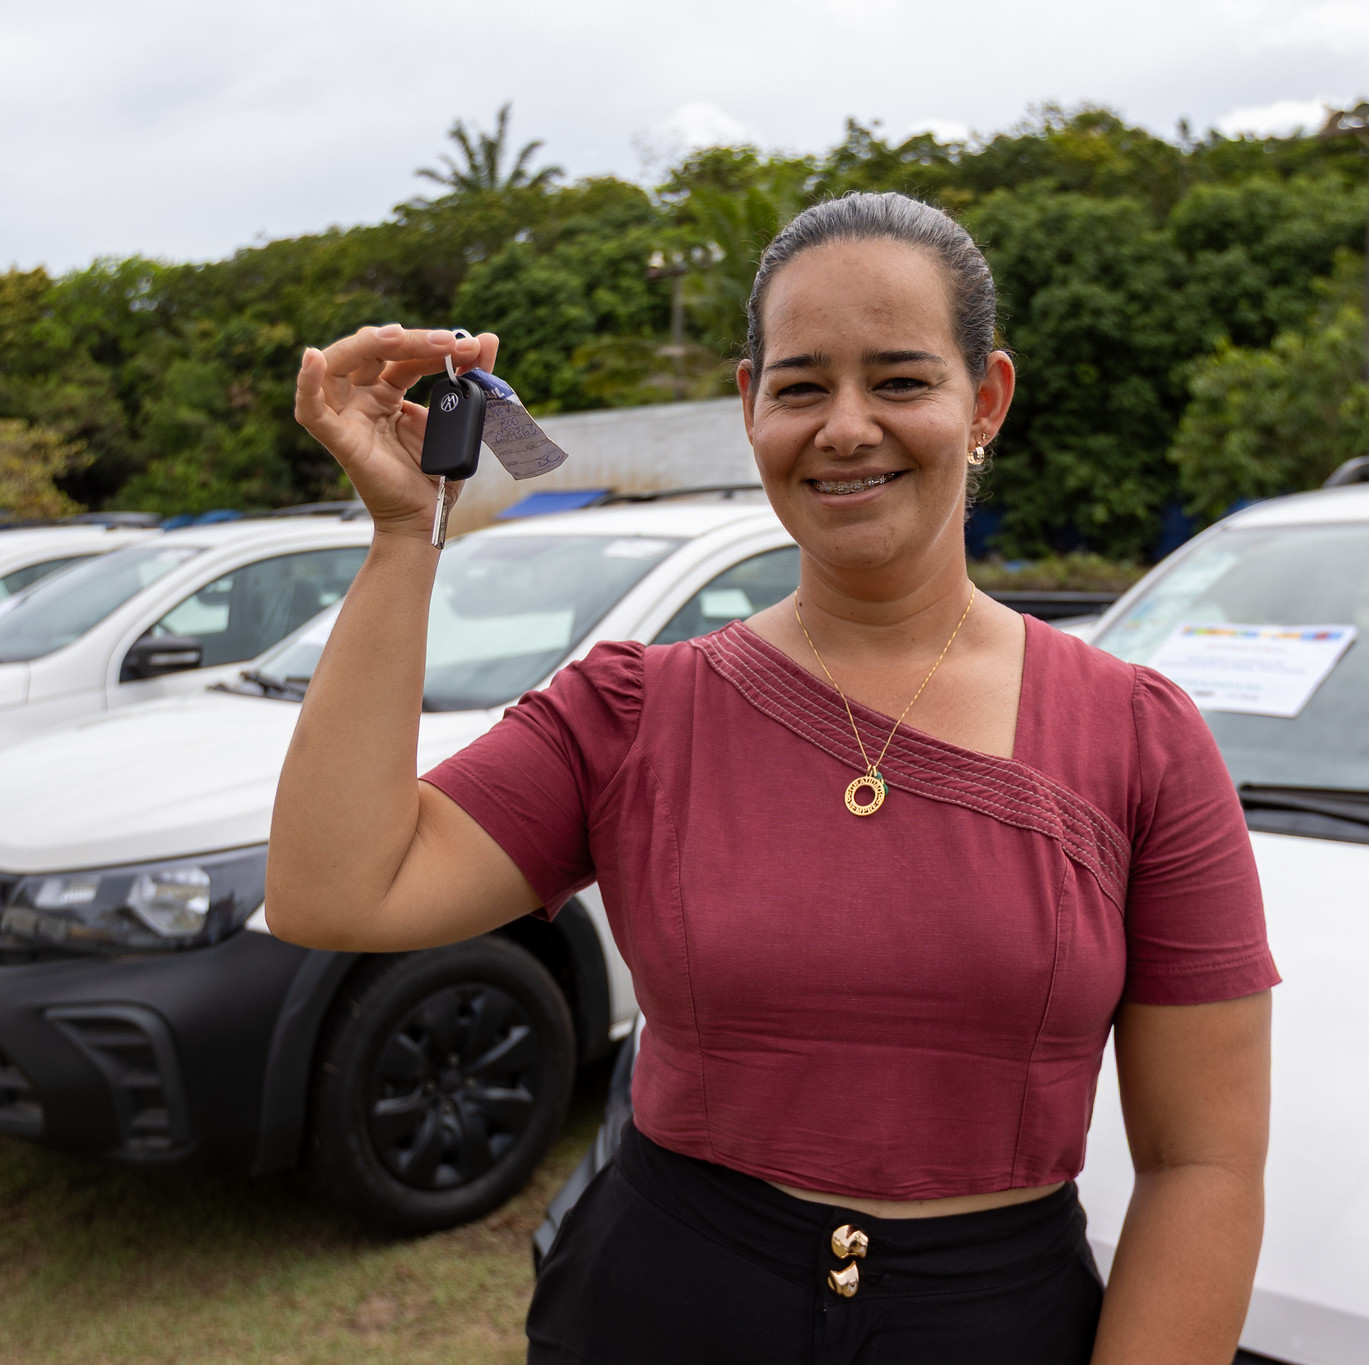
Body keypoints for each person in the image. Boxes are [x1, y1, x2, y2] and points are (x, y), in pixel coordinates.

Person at [272, 191, 1277, 1364]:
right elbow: (336, 890)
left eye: (900, 380)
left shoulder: (1138, 739)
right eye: (801, 387)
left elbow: (1202, 1161)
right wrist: (404, 536)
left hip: (993, 1321)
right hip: (659, 1303)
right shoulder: (633, 713)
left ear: (985, 398)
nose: (846, 426)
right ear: (750, 408)